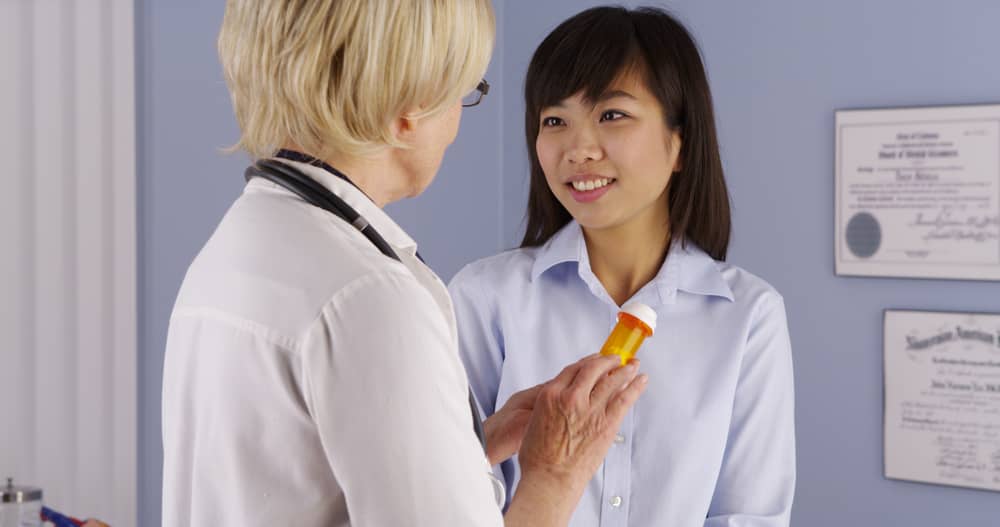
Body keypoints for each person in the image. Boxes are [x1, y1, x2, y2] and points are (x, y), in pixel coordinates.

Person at [160, 1, 648, 526]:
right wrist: (557, 473)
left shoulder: (236, 249)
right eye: (465, 91)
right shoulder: (368, 297)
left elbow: (293, 481)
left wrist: (461, 451)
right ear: (410, 106)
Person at [449, 6, 796, 526]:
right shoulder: (484, 296)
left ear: (679, 142)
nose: (578, 149)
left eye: (612, 115)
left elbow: (748, 516)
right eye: (554, 120)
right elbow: (445, 493)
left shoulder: (749, 316)